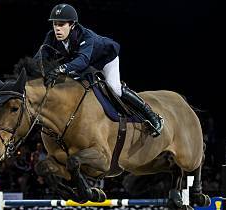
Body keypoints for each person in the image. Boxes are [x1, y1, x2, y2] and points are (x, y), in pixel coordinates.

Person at [35, 3, 163, 137]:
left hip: (105, 59)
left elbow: (82, 60)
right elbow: (41, 56)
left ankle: (151, 115)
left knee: (115, 88)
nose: (57, 29)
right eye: (55, 24)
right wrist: (33, 69)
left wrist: (62, 68)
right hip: (85, 64)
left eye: (61, 25)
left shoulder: (85, 36)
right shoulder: (51, 36)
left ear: (72, 25)